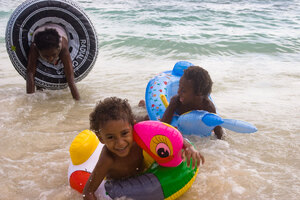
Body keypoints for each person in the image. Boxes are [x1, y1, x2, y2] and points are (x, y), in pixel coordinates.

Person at [83, 97, 205, 200]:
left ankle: (142, 105)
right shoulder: (107, 158)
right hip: (119, 188)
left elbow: (170, 136)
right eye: (110, 137)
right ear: (101, 138)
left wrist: (188, 147)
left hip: (146, 174)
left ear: (133, 126)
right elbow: (88, 191)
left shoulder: (140, 138)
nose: (120, 143)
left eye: (124, 133)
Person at [161, 66, 224, 139]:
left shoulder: (208, 107)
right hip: (178, 122)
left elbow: (219, 133)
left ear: (198, 93)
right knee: (147, 118)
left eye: (183, 91)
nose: (178, 92)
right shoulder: (176, 101)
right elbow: (163, 125)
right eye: (179, 87)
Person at [26, 23, 80, 100]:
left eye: (53, 55)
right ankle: (40, 90)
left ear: (58, 48)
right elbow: (30, 72)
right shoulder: (34, 47)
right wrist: (30, 100)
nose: (51, 59)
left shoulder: (63, 47)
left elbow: (70, 77)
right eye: (46, 56)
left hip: (59, 30)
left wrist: (77, 100)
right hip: (41, 36)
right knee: (38, 71)